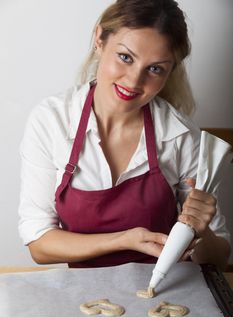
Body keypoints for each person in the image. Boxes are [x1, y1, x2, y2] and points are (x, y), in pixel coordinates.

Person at [19, 0, 231, 270]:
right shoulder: (52, 121)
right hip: (84, 297)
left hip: (165, 295)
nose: (133, 81)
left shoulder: (180, 136)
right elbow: (39, 245)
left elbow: (219, 257)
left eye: (154, 69)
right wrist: (124, 240)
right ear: (99, 39)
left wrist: (203, 230)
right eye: (126, 57)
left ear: (169, 72)